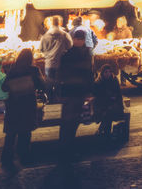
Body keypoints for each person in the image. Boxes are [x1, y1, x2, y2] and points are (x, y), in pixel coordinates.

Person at [1, 48, 46, 171]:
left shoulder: (13, 70)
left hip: (13, 105)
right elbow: (43, 85)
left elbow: (4, 87)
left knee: (11, 132)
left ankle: (7, 157)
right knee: (25, 132)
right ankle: (24, 156)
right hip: (27, 105)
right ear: (31, 59)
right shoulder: (34, 70)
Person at [56, 31, 94, 160]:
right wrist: (89, 92)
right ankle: (68, 149)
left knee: (67, 122)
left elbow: (60, 74)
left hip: (69, 92)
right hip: (78, 93)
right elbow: (89, 74)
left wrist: (59, 91)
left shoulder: (67, 54)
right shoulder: (85, 54)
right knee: (72, 122)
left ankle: (64, 148)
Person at [38, 16, 72, 100]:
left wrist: (48, 53)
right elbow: (70, 45)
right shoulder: (64, 34)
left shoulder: (45, 36)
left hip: (49, 63)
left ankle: (49, 100)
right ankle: (58, 100)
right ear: (59, 23)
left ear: (52, 23)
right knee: (58, 83)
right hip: (61, 63)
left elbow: (41, 49)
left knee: (49, 82)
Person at [91, 63, 125, 137]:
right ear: (102, 73)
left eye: (109, 72)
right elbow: (98, 97)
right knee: (108, 112)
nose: (108, 74)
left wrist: (118, 102)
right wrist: (109, 98)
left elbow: (118, 94)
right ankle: (106, 133)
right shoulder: (98, 82)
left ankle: (102, 130)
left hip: (113, 104)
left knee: (109, 112)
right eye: (106, 72)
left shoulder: (114, 80)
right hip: (101, 105)